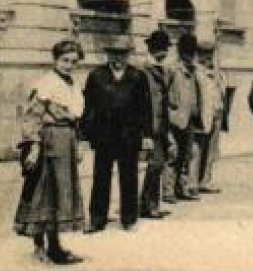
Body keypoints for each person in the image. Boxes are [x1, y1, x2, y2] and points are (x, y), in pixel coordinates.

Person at [14, 40, 87, 265]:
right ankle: (39, 247)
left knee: (59, 195)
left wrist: (78, 144)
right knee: (43, 193)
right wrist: (34, 146)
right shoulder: (46, 84)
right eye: (65, 60)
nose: (69, 65)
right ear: (55, 59)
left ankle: (55, 247)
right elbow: (32, 117)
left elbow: (76, 118)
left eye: (74, 61)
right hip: (48, 141)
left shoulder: (72, 84)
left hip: (66, 141)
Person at [80, 40, 152, 234]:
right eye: (114, 54)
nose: (118, 58)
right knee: (101, 178)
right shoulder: (96, 76)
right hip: (104, 136)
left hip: (129, 136)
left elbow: (146, 109)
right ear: (108, 55)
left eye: (122, 54)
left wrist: (147, 135)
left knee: (129, 178)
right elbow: (89, 107)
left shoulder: (138, 76)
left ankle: (129, 218)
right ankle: (97, 219)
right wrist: (84, 136)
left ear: (128, 55)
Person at [138, 30, 174, 220]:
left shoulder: (164, 70)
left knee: (157, 166)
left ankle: (148, 204)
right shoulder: (142, 70)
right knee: (153, 165)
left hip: (161, 124)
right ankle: (148, 205)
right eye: (161, 49)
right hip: (147, 125)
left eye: (165, 49)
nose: (164, 52)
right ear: (152, 48)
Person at [167, 32, 199, 200]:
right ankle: (168, 190)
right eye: (187, 53)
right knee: (173, 155)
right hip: (174, 117)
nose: (190, 56)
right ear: (181, 53)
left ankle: (183, 187)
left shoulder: (193, 70)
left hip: (190, 118)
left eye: (192, 53)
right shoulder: (172, 69)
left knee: (186, 155)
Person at [195, 47, 226, 193]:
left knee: (211, 151)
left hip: (217, 114)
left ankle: (206, 180)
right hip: (203, 115)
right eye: (204, 55)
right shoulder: (197, 72)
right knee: (198, 150)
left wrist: (218, 76)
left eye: (210, 55)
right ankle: (194, 181)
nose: (207, 58)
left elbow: (222, 92)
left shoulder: (217, 74)